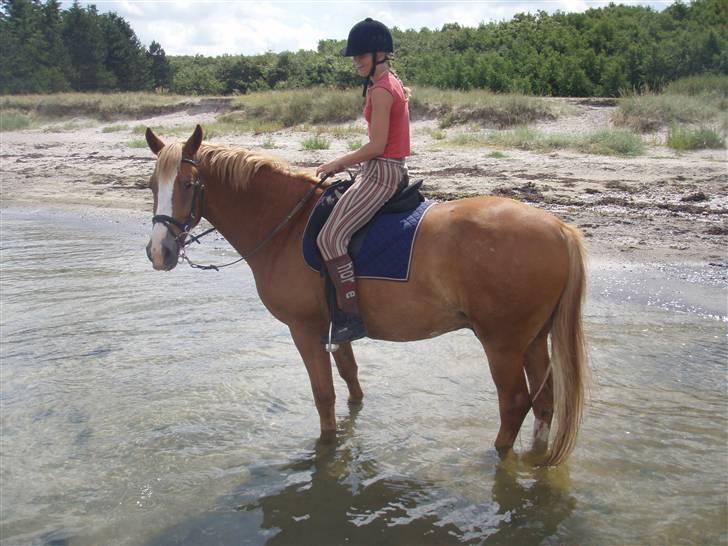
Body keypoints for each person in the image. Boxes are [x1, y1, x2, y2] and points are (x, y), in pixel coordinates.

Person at [315, 17, 411, 345]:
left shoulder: (383, 90)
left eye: (361, 56)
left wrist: (335, 163)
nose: (355, 62)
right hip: (375, 169)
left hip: (382, 173)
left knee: (329, 239)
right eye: (354, 57)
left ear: (379, 54)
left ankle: (351, 317)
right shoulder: (382, 83)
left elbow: (377, 146)